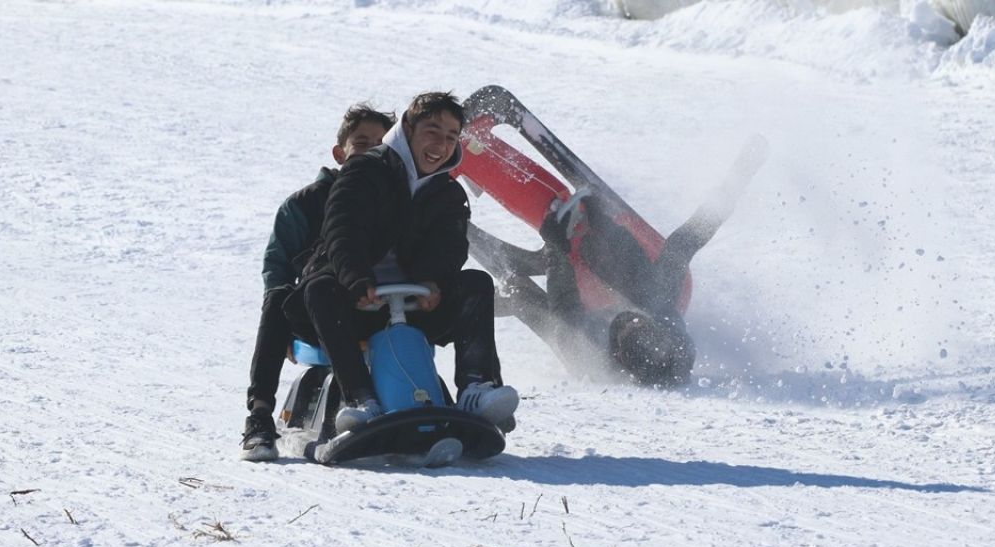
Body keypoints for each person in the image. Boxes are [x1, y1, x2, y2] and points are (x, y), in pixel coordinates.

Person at [290, 91, 518, 435]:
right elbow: (342, 230)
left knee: (476, 283)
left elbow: (450, 247)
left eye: (451, 137)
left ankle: (476, 386)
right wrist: (356, 280)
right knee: (321, 288)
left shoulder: (448, 192)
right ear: (408, 128)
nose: (440, 144)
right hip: (355, 306)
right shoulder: (363, 171)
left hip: (414, 306)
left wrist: (431, 281)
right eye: (432, 131)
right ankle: (359, 399)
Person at [470, 137, 764, 387]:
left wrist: (556, 246)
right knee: (649, 280)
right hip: (649, 289)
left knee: (520, 295)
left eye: (628, 330)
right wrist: (741, 174)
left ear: (619, 354)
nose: (631, 321)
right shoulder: (662, 309)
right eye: (639, 322)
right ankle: (597, 225)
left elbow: (563, 306)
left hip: (573, 314)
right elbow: (691, 236)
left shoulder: (589, 347)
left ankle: (462, 275)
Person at [241, 104, 396, 461]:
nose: (372, 149)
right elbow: (277, 266)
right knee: (279, 295)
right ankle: (260, 416)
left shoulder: (395, 202)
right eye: (361, 142)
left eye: (380, 143)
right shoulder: (305, 204)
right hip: (314, 309)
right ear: (340, 153)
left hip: (378, 306)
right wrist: (283, 330)